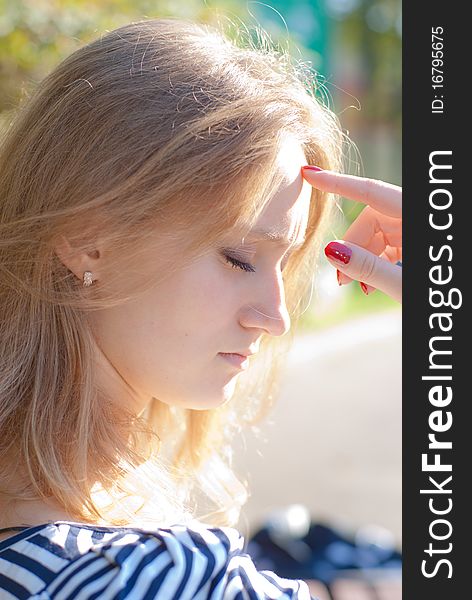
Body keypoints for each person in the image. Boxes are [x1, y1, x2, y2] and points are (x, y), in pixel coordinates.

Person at [0, 17, 401, 599]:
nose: (276, 315)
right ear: (88, 242)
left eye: (284, 264)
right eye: (240, 257)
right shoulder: (154, 579)